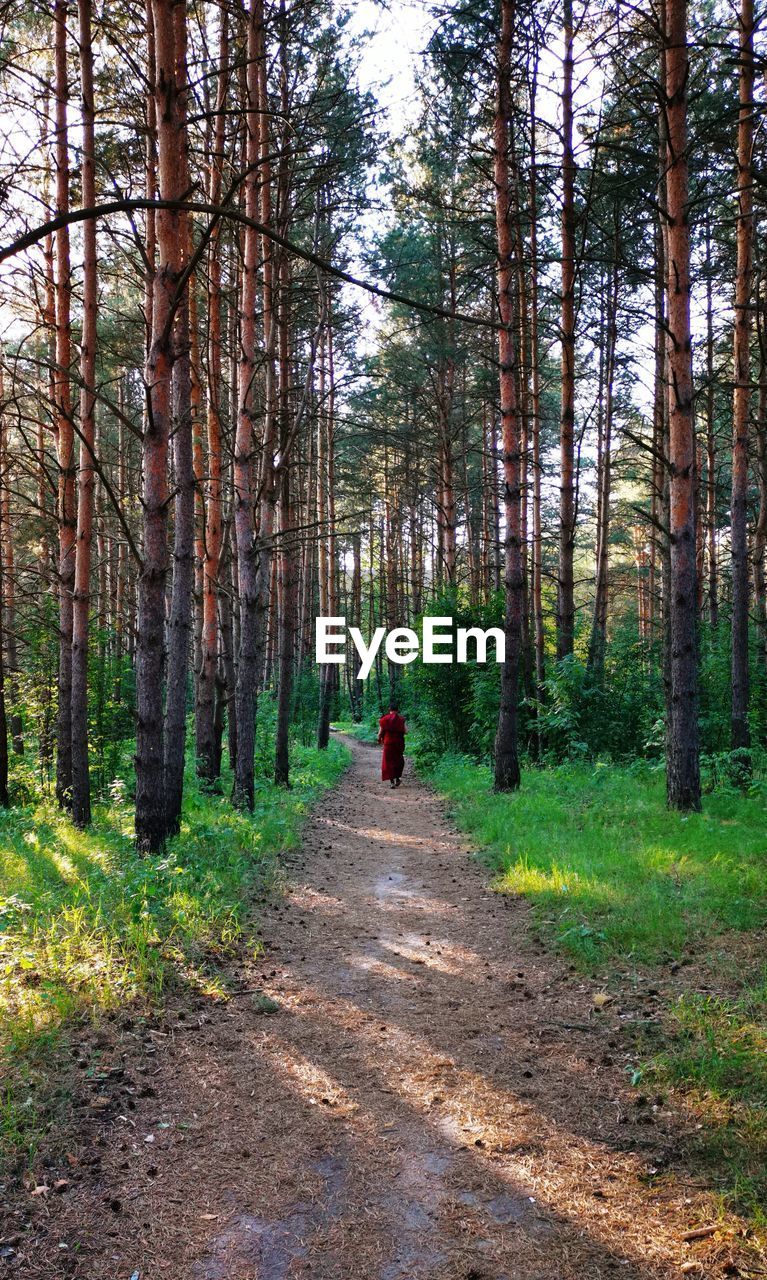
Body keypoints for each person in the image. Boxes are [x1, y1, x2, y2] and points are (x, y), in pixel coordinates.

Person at [378, 703, 407, 788]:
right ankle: (397, 778)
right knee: (398, 761)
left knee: (388, 762)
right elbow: (406, 731)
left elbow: (380, 732)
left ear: (389, 709)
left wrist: (379, 739)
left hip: (388, 743)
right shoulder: (401, 719)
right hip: (398, 743)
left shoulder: (384, 719)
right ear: (397, 710)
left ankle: (392, 782)